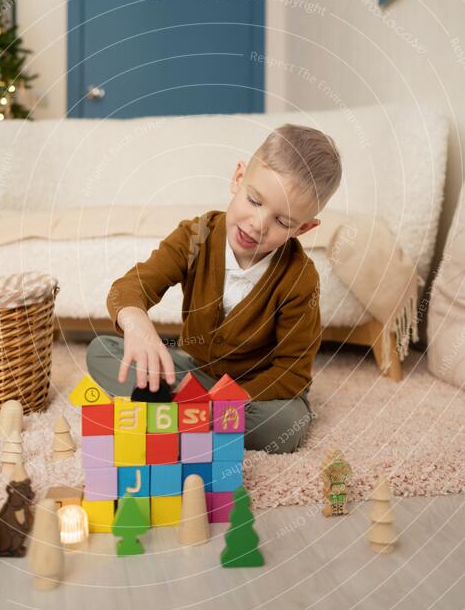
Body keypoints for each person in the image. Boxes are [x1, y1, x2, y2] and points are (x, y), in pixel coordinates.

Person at [87, 124, 342, 454]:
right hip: (195, 371)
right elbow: (129, 288)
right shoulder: (196, 236)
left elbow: (292, 371)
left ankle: (177, 417)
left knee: (288, 424)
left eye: (283, 222)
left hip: (254, 393)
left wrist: (224, 401)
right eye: (253, 201)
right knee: (101, 352)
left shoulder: (300, 278)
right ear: (238, 179)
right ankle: (192, 418)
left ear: (304, 228)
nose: (258, 224)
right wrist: (138, 325)